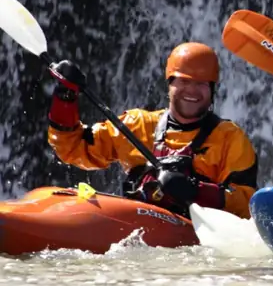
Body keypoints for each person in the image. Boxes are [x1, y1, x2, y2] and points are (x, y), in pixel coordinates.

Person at [46, 42, 259, 219]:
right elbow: (72, 148)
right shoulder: (136, 125)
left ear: (212, 90)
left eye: (201, 84)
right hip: (137, 233)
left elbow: (249, 204)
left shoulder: (230, 138)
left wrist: (196, 191)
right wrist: (66, 96)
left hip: (194, 237)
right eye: (184, 81)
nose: (192, 91)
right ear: (169, 84)